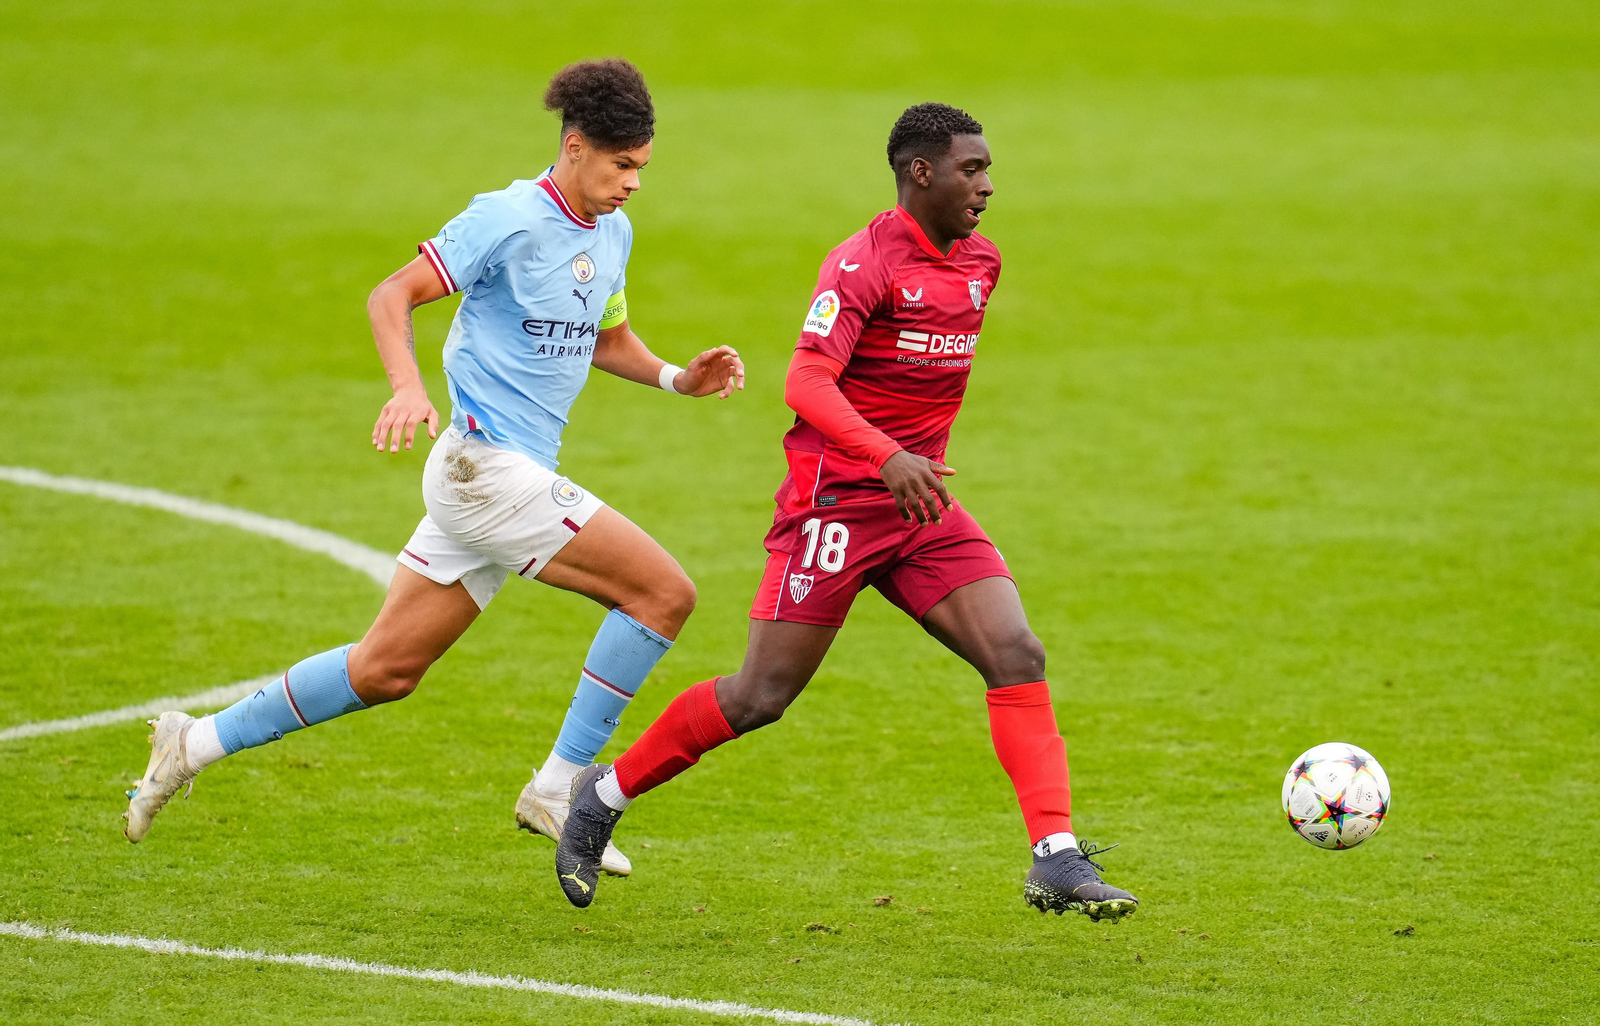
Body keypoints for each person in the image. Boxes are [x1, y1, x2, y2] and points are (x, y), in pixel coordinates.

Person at [122, 58, 745, 881]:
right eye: (622, 165)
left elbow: (601, 336)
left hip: (502, 478)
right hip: (483, 471)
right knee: (664, 594)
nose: (634, 184)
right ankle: (561, 786)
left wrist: (675, 377)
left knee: (385, 670)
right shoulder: (508, 217)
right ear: (574, 147)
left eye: (643, 168)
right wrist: (408, 389)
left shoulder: (613, 234)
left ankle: (191, 742)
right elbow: (393, 295)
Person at [553, 102, 1137, 921]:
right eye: (973, 170)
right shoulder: (861, 265)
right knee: (760, 696)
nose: (988, 187)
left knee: (1016, 651)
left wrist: (911, 468)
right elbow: (805, 382)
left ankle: (1057, 859)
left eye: (989, 169)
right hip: (837, 506)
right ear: (920, 173)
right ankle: (601, 794)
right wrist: (886, 457)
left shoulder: (981, 263)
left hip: (921, 506)